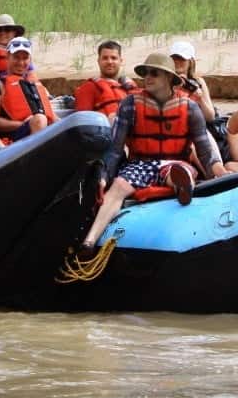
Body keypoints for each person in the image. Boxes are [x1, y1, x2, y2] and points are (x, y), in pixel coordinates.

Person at [78, 53, 228, 255]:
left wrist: (218, 171)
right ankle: (89, 241)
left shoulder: (190, 108)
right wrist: (104, 175)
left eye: (154, 74)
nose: (147, 77)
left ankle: (183, 187)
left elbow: (204, 149)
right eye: (146, 73)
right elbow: (115, 150)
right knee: (119, 186)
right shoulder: (130, 105)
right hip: (140, 163)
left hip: (176, 163)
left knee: (177, 172)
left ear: (168, 78)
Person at [0, 37, 56, 143]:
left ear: (30, 60)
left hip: (40, 127)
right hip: (13, 136)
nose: (21, 62)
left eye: (25, 58)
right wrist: (25, 124)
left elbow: (53, 117)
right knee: (40, 119)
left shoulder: (36, 85)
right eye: (16, 57)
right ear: (8, 56)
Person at [73, 40, 138, 122]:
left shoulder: (129, 87)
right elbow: (82, 122)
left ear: (121, 61)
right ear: (98, 61)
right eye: (105, 58)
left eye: (114, 58)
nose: (109, 62)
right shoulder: (88, 87)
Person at [168, 41, 216, 122]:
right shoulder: (164, 80)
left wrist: (200, 99)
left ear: (190, 62)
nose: (177, 61)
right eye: (174, 58)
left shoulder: (198, 82)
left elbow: (210, 117)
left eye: (182, 58)